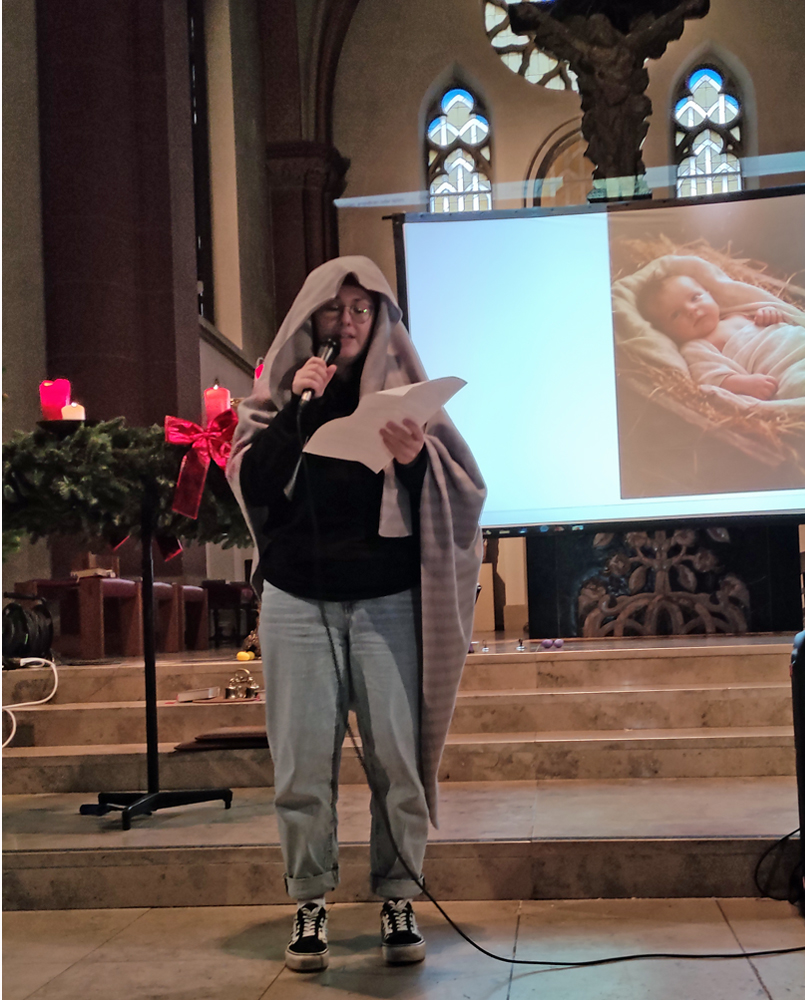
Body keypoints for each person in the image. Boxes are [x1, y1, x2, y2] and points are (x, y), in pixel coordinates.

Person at [226, 256, 485, 973]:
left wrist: (411, 461)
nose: (349, 323)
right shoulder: (282, 398)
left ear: (382, 320)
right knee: (302, 764)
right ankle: (309, 902)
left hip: (386, 599)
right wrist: (294, 415)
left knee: (397, 762)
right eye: (337, 309)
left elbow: (463, 490)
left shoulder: (406, 398)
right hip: (296, 600)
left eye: (363, 310)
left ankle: (398, 897)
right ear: (313, 315)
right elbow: (249, 483)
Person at [637, 273, 787, 399]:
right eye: (675, 314)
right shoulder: (695, 348)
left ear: (709, 294)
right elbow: (710, 377)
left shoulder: (737, 315)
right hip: (782, 369)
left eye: (695, 298)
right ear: (666, 332)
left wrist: (768, 314)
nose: (691, 309)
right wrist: (745, 384)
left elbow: (775, 323)